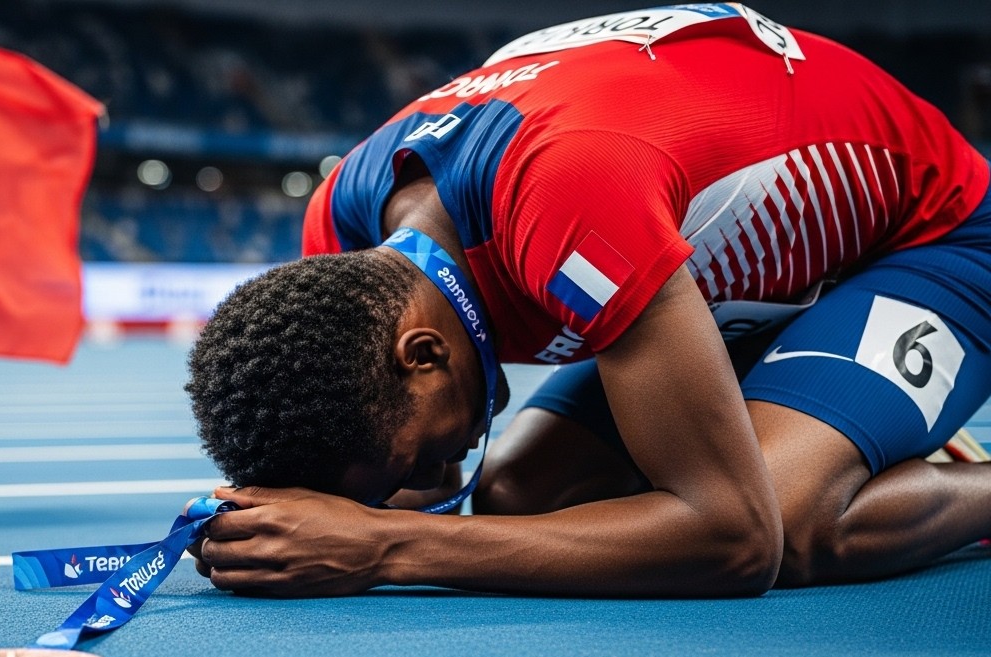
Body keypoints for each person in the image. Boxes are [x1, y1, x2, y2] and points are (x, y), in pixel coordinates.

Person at [183, 5, 991, 598]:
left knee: (789, 516)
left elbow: (735, 539)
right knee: (516, 498)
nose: (439, 477)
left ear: (422, 353)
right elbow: (420, 478)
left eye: (421, 458)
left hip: (931, 239)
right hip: (736, 282)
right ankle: (841, 417)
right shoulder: (343, 235)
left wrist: (386, 543)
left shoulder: (565, 192)